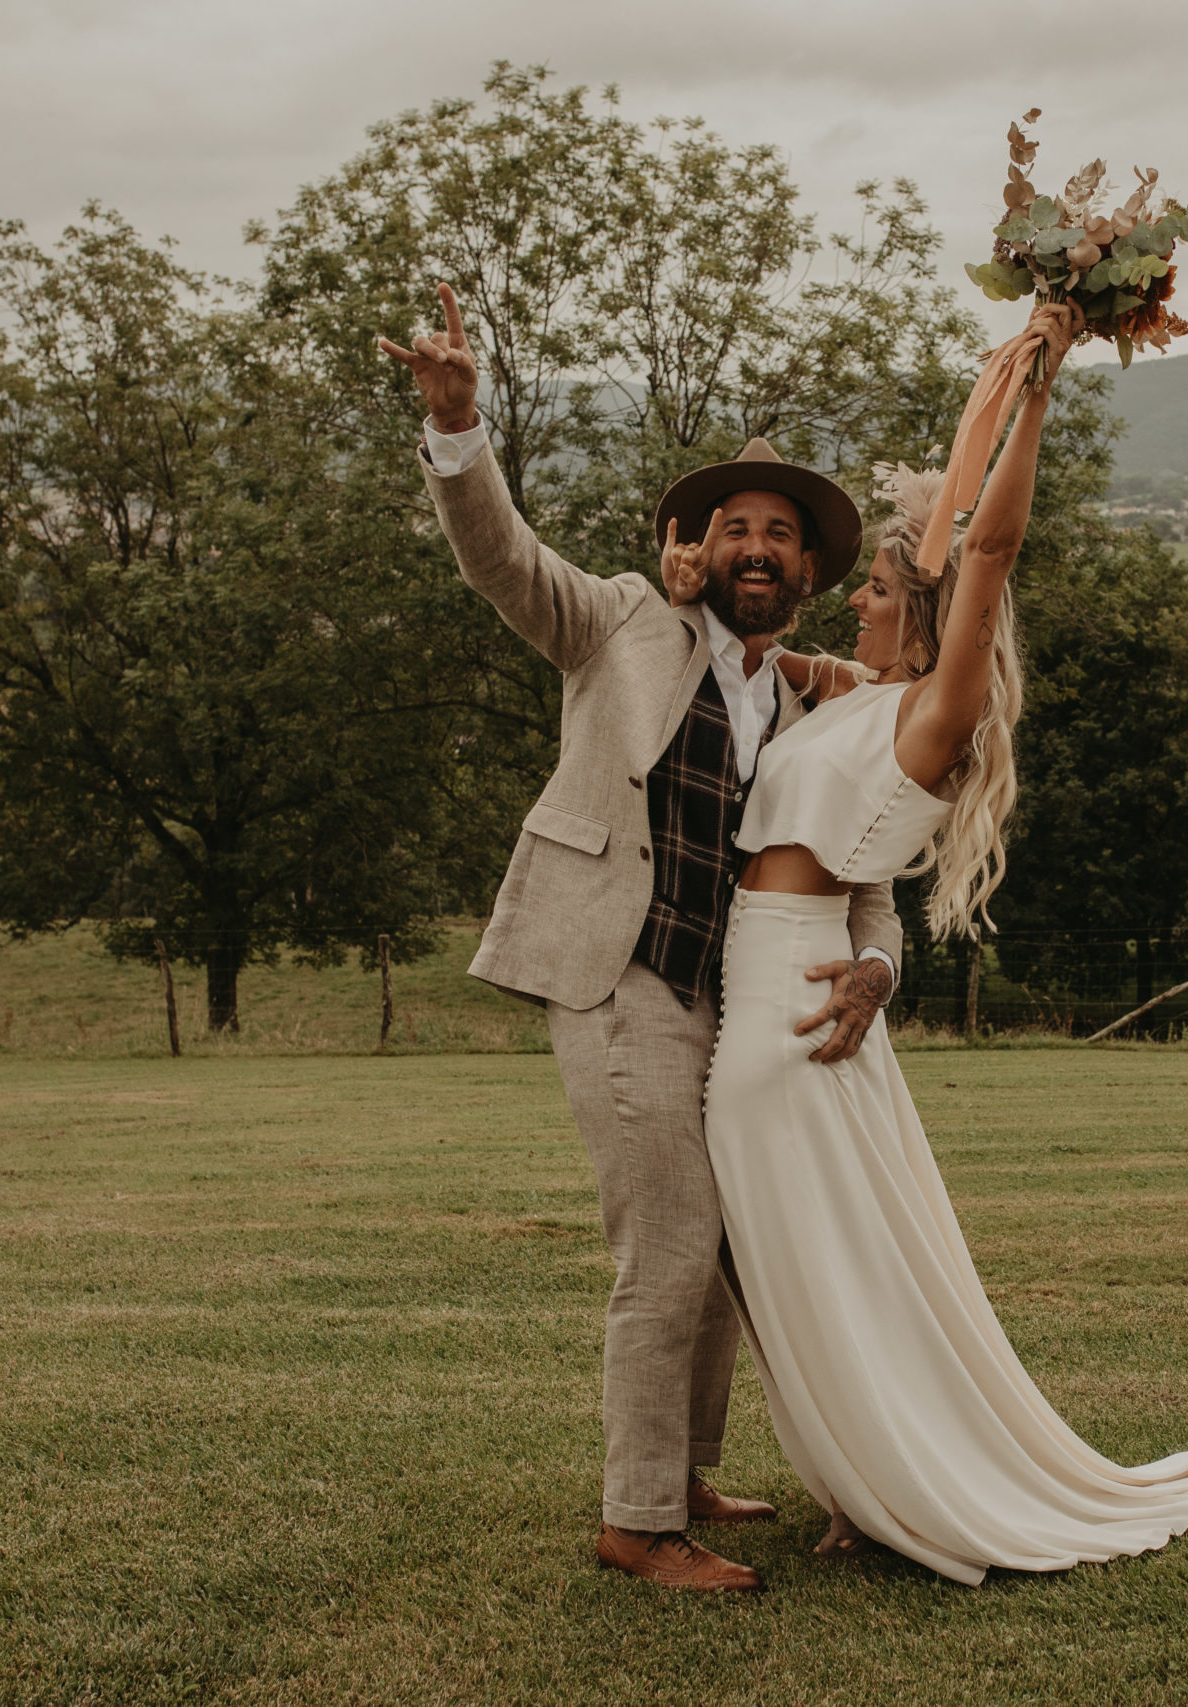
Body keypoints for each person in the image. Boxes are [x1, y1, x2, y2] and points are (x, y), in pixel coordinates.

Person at [671, 299, 1188, 1586]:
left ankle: (887, 1482)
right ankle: (858, 1476)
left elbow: (985, 544)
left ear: (927, 615)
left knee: (809, 1268)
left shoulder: (928, 718)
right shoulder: (851, 697)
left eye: (881, 590)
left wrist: (1035, 396)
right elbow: (749, 645)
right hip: (786, 997)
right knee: (819, 1263)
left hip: (784, 1019)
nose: (867, 603)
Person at [380, 286, 904, 1593]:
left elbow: (861, 854)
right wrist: (458, 428)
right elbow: (505, 562)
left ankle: (683, 1473)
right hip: (619, 980)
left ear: (809, 572)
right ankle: (637, 1520)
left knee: (729, 1242)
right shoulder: (621, 623)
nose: (760, 546)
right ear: (696, 545)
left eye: (783, 534)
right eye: (738, 526)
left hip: (733, 1000)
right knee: (668, 1242)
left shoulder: (808, 693)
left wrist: (884, 960)